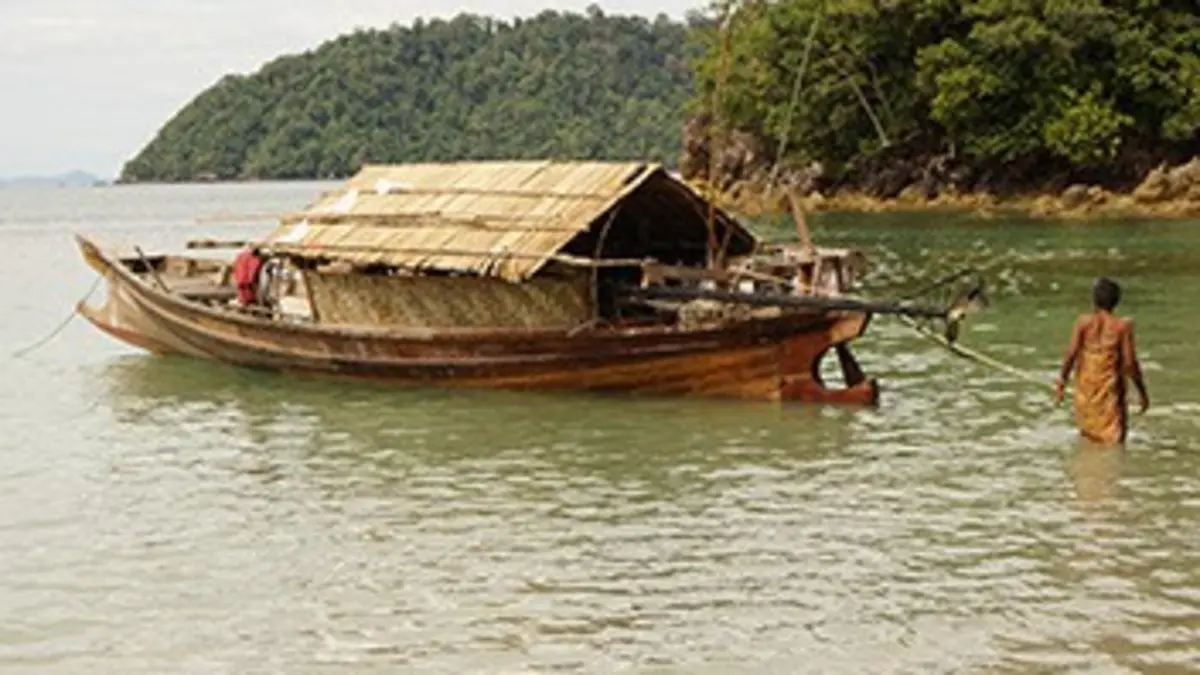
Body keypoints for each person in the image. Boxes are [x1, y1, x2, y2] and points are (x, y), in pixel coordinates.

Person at [1054, 277, 1149, 445]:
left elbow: (1071, 353)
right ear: (1116, 301)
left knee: (1089, 437)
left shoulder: (1083, 323)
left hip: (1086, 390)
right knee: (1113, 442)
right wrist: (1142, 393)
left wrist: (1062, 381)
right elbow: (1129, 364)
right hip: (1109, 393)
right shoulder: (1122, 327)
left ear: (1094, 300)